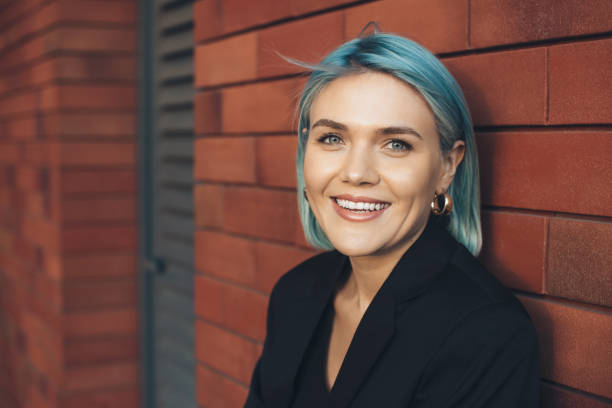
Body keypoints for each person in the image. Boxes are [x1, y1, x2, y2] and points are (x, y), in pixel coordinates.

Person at [244, 28, 540, 408]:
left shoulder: (487, 334)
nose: (356, 172)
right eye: (332, 138)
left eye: (395, 144)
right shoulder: (295, 293)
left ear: (447, 167)